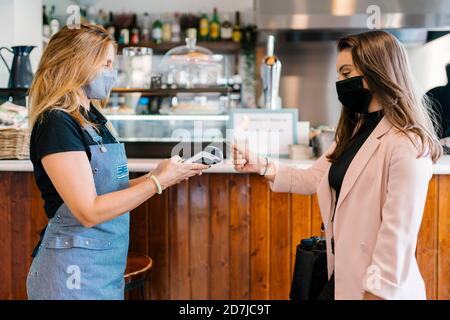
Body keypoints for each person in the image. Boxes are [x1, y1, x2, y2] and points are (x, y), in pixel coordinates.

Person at [233, 30, 442, 300]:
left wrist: (376, 293)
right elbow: (313, 178)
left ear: (377, 72)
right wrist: (261, 166)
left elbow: (398, 235)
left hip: (377, 288)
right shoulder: (356, 130)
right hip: (343, 277)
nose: (341, 83)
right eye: (339, 75)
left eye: (346, 73)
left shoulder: (407, 143)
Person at [26, 24, 208, 300]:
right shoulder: (56, 123)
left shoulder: (95, 119)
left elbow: (106, 188)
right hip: (71, 275)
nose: (112, 72)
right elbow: (88, 210)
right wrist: (157, 183)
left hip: (101, 269)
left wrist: (155, 176)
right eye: (106, 63)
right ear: (79, 63)